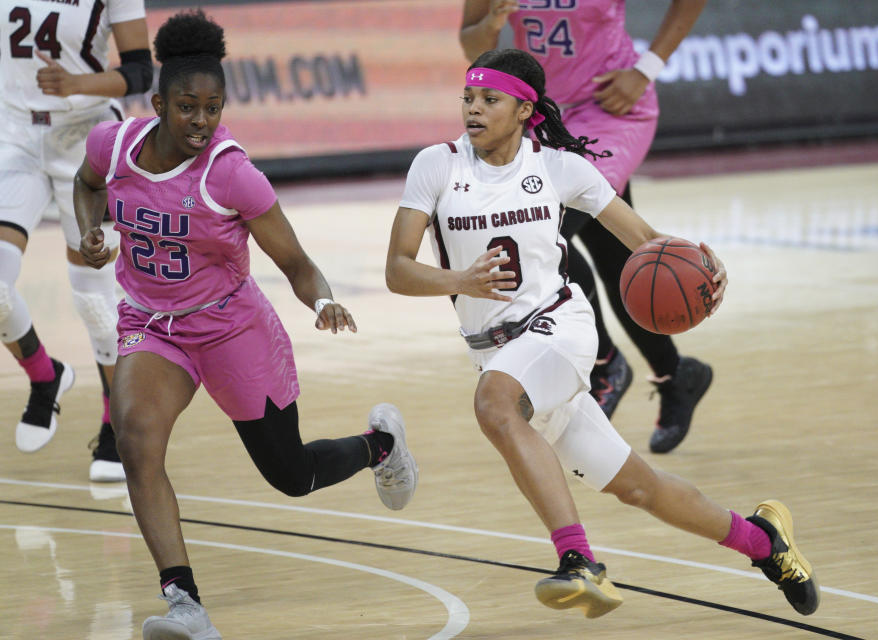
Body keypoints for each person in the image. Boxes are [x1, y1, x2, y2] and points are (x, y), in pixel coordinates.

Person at [385, 48, 818, 619]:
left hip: (559, 330)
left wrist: (700, 268)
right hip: (498, 351)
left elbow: (643, 237)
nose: (474, 109)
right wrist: (459, 279)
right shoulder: (436, 166)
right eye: (468, 97)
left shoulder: (560, 167)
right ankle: (765, 542)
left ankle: (579, 563)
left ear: (524, 110)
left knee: (494, 406)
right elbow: (397, 270)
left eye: (490, 100)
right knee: (640, 488)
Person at [73, 10, 418, 639]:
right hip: (152, 325)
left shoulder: (231, 173)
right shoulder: (112, 144)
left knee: (291, 475)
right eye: (187, 107)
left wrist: (322, 302)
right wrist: (92, 230)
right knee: (135, 441)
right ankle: (185, 604)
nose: (201, 120)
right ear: (157, 104)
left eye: (213, 107)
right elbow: (86, 184)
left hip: (232, 328)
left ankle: (380, 446)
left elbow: (296, 262)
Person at [460, 0, 712, 453]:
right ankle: (677, 375)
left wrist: (646, 68)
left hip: (610, 108)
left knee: (546, 225)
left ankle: (604, 362)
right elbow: (470, 42)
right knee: (619, 256)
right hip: (540, 116)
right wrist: (493, 22)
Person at [0, 0, 154, 480]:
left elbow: (140, 73)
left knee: (94, 302)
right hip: (15, 134)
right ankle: (46, 378)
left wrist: (77, 85)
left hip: (85, 135)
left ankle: (114, 420)